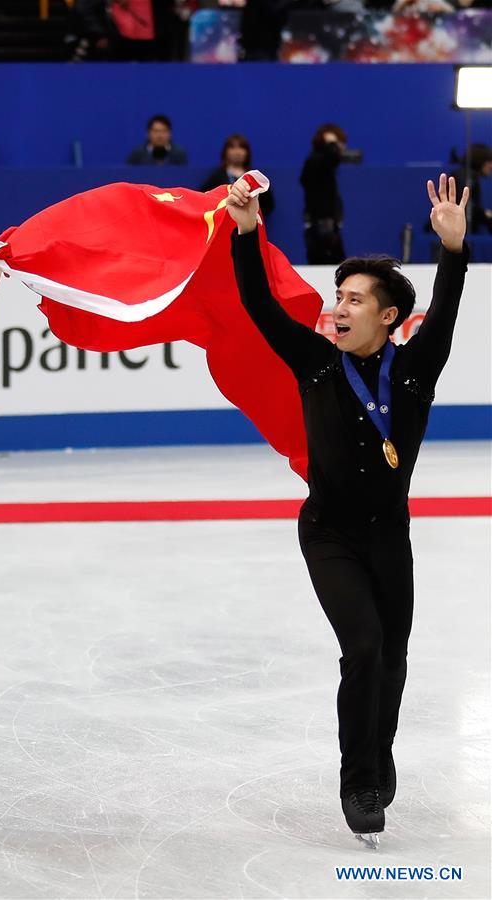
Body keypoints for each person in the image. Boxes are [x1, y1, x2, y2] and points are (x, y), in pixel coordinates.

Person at [225, 173, 469, 846]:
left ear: (388, 317)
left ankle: (377, 754)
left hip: (389, 536)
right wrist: (247, 230)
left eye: (354, 299)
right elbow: (258, 305)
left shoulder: (414, 370)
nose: (338, 307)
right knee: (363, 647)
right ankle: (358, 781)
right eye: (338, 296)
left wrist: (453, 248)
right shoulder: (315, 363)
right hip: (328, 532)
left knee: (393, 658)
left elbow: (446, 312)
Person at [300, 123, 349, 264]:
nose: (342, 147)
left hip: (328, 227)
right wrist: (332, 143)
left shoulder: (323, 168)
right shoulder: (316, 162)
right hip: (321, 229)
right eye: (339, 143)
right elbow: (332, 157)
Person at [200, 133, 275, 219]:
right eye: (232, 147)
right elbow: (203, 198)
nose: (237, 152)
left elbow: (269, 204)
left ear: (247, 152)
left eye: (241, 147)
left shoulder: (255, 177)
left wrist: (253, 216)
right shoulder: (216, 177)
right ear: (225, 152)